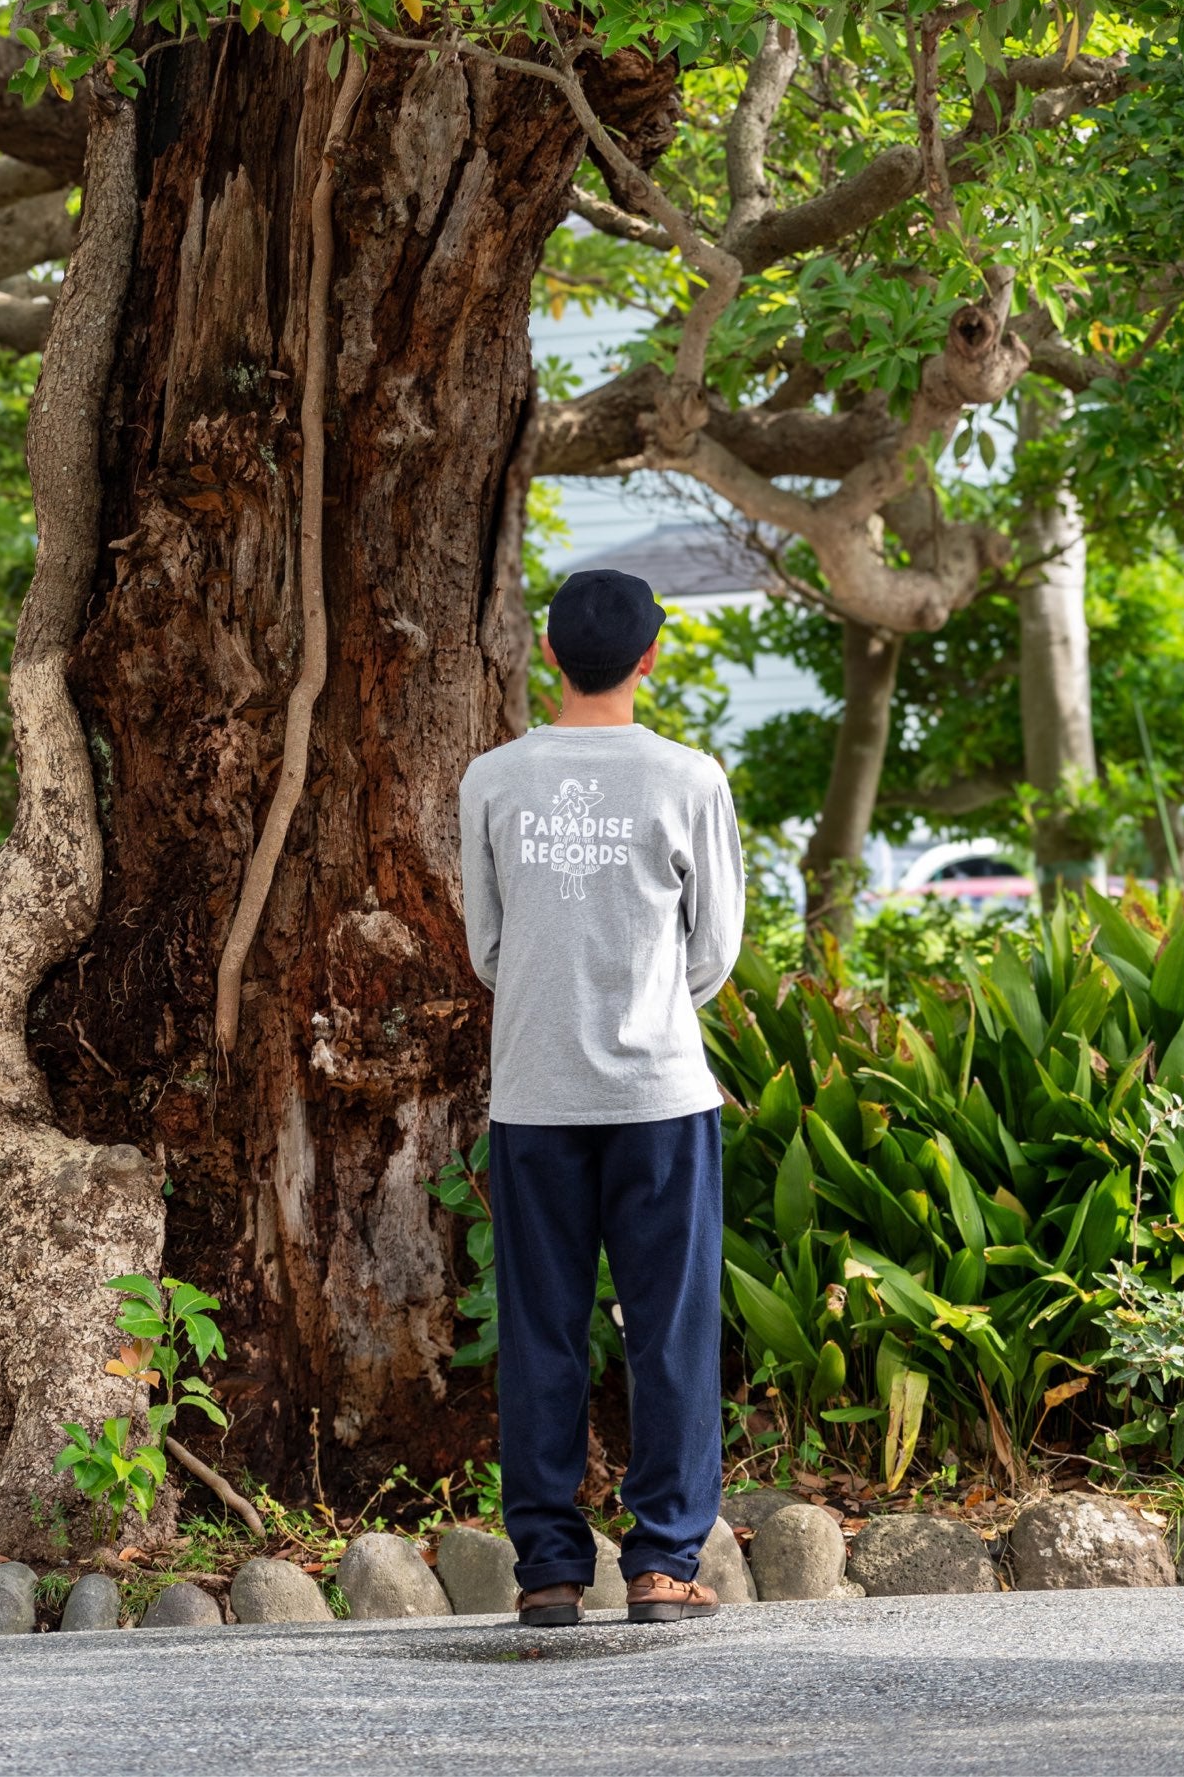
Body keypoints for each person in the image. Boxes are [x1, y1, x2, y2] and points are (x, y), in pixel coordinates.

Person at [457, 567, 745, 1627]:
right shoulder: (689, 777)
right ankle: (665, 1564)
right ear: (650, 656)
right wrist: (647, 1001)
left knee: (542, 1327)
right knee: (668, 1328)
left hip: (533, 1093)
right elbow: (713, 952)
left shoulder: (491, 780)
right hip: (660, 1095)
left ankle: (548, 1569)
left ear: (546, 652)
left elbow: (488, 946)